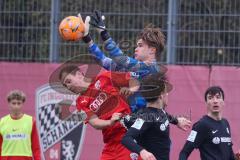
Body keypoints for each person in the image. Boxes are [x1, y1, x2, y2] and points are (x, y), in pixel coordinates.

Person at [59, 64, 141, 160]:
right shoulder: (79, 103)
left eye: (69, 81)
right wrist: (109, 122)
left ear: (79, 74)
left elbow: (133, 81)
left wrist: (131, 90)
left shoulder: (104, 77)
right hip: (110, 143)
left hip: (127, 135)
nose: (68, 86)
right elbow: (95, 123)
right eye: (65, 85)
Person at [121, 72, 191, 160]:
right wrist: (143, 152)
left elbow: (164, 115)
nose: (168, 94)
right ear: (161, 95)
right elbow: (126, 138)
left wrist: (176, 121)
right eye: (166, 91)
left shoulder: (159, 111)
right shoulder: (146, 117)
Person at [179, 86, 237, 160]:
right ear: (206, 103)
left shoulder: (226, 123)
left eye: (218, 97)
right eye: (210, 98)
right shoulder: (201, 125)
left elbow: (229, 154)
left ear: (223, 102)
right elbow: (184, 152)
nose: (215, 101)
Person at [0, 90, 41, 160]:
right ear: (9, 104)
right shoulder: (2, 122)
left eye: (19, 103)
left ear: (22, 104)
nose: (16, 106)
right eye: (14, 103)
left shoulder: (31, 121)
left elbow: (36, 147)